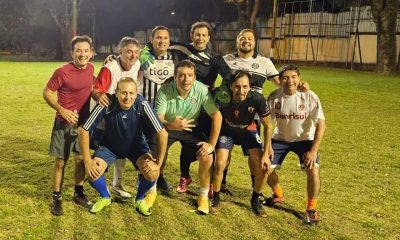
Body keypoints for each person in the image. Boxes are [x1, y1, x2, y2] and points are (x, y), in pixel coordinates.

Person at [79, 77, 168, 216]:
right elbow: (83, 130)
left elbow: (163, 133)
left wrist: (158, 164)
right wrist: (87, 161)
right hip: (110, 147)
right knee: (92, 172)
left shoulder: (142, 104)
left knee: (153, 173)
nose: (128, 97)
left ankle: (139, 199)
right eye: (123, 93)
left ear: (136, 93)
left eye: (131, 93)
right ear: (116, 92)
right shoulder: (107, 102)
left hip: (136, 147)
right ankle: (105, 197)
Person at [155, 60, 222, 215]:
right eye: (182, 75)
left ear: (195, 77)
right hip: (168, 127)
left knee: (207, 156)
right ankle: (152, 188)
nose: (186, 79)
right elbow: (158, 119)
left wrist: (211, 144)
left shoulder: (201, 90)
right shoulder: (165, 90)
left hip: (191, 127)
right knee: (156, 155)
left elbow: (217, 116)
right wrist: (172, 125)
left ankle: (203, 197)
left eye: (190, 75)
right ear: (175, 77)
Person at [265, 64, 326, 225]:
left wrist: (313, 150)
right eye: (285, 77)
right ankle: (278, 194)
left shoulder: (309, 96)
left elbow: (321, 124)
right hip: (280, 139)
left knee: (313, 170)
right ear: (280, 79)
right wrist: (267, 147)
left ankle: (311, 208)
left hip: (305, 140)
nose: (289, 81)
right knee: (264, 168)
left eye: (293, 77)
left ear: (299, 78)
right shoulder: (274, 97)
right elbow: (267, 124)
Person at [42, 35, 94, 216]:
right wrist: (61, 109)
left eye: (86, 51)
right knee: (60, 162)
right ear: (72, 52)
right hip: (63, 123)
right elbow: (47, 93)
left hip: (83, 125)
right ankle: (57, 197)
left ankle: (78, 194)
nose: (82, 54)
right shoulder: (62, 71)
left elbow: (91, 87)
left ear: (91, 53)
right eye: (78, 50)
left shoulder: (91, 69)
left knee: (80, 159)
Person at [211, 71, 273, 217]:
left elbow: (269, 125)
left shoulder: (257, 99)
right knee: (220, 164)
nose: (241, 91)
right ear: (231, 86)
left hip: (248, 131)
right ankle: (216, 197)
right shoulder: (222, 97)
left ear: (250, 87)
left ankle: (255, 199)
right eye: (237, 87)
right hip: (227, 131)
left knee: (264, 167)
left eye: (245, 87)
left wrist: (267, 149)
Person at [91, 37, 141, 199]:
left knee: (122, 149)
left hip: (123, 116)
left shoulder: (138, 64)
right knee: (102, 153)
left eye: (135, 52)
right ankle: (100, 184)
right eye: (128, 52)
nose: (133, 56)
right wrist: (99, 96)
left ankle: (116, 185)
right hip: (105, 119)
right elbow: (96, 90)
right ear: (120, 52)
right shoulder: (110, 67)